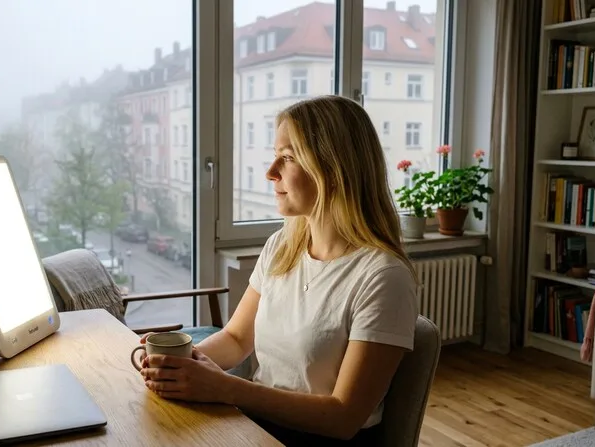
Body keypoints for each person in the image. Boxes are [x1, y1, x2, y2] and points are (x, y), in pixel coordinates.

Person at [139, 95, 419, 445]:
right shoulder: (281, 248)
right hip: (259, 427)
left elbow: (343, 417)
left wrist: (226, 388)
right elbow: (237, 338)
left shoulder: (383, 277)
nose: (271, 172)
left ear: (335, 169)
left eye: (287, 158)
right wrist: (179, 365)